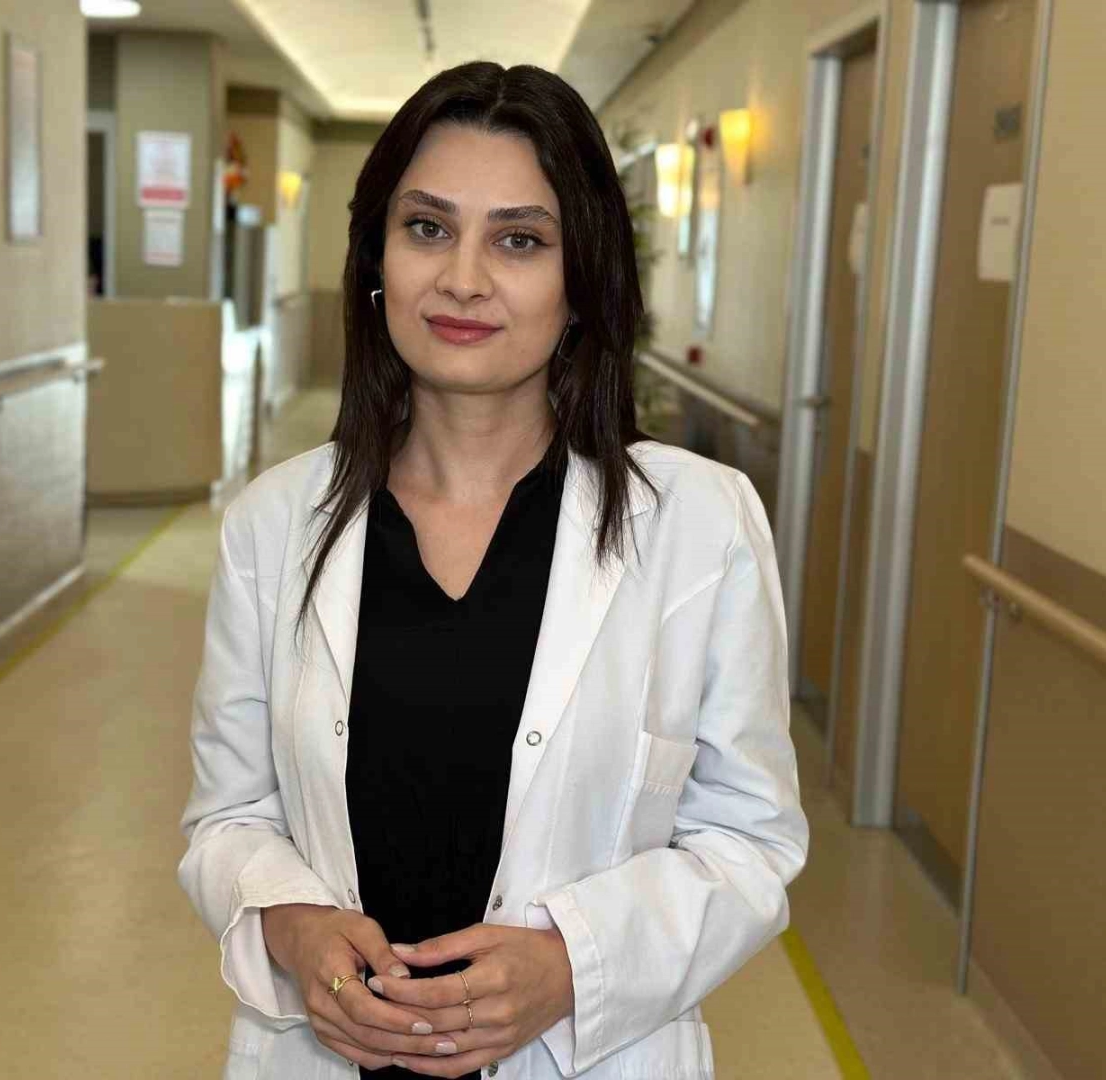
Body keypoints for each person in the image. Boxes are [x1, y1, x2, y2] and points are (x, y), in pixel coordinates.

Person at [179, 61, 808, 1080]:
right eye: (428, 228)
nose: (463, 278)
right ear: (377, 258)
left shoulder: (698, 524)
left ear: (581, 281)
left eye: (519, 240)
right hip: (332, 1054)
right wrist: (290, 926)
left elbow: (750, 842)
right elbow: (227, 818)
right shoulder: (273, 525)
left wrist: (572, 967)